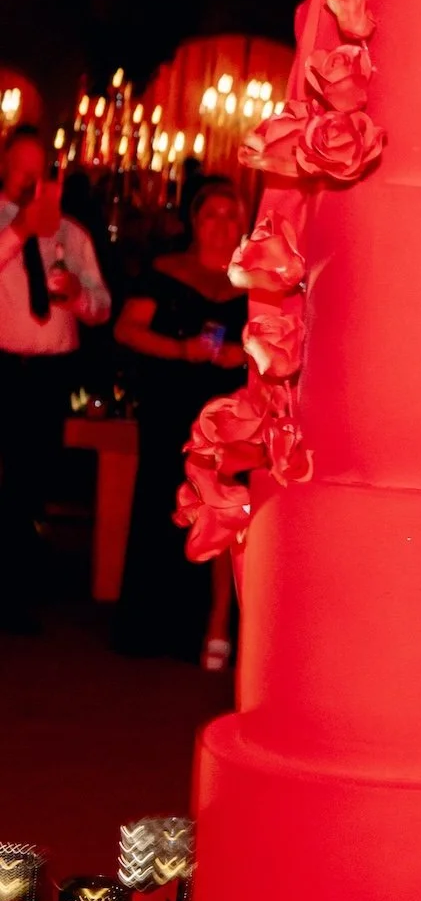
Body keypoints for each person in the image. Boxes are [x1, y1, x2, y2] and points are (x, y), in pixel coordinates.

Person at [112, 175, 248, 665]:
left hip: (229, 412)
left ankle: (214, 625)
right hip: (171, 403)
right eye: (212, 214)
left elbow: (282, 345)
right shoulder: (166, 270)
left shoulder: (256, 282)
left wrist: (243, 354)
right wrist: (181, 349)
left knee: (221, 509)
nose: (221, 225)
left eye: (231, 216)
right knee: (163, 500)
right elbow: (126, 329)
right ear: (195, 222)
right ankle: (151, 625)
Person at [0, 122, 111, 631]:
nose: (29, 180)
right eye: (20, 169)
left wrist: (78, 297)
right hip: (3, 364)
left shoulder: (72, 234)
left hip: (48, 372)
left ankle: (20, 590)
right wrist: (21, 229)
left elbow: (103, 306)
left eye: (36, 170)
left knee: (32, 481)